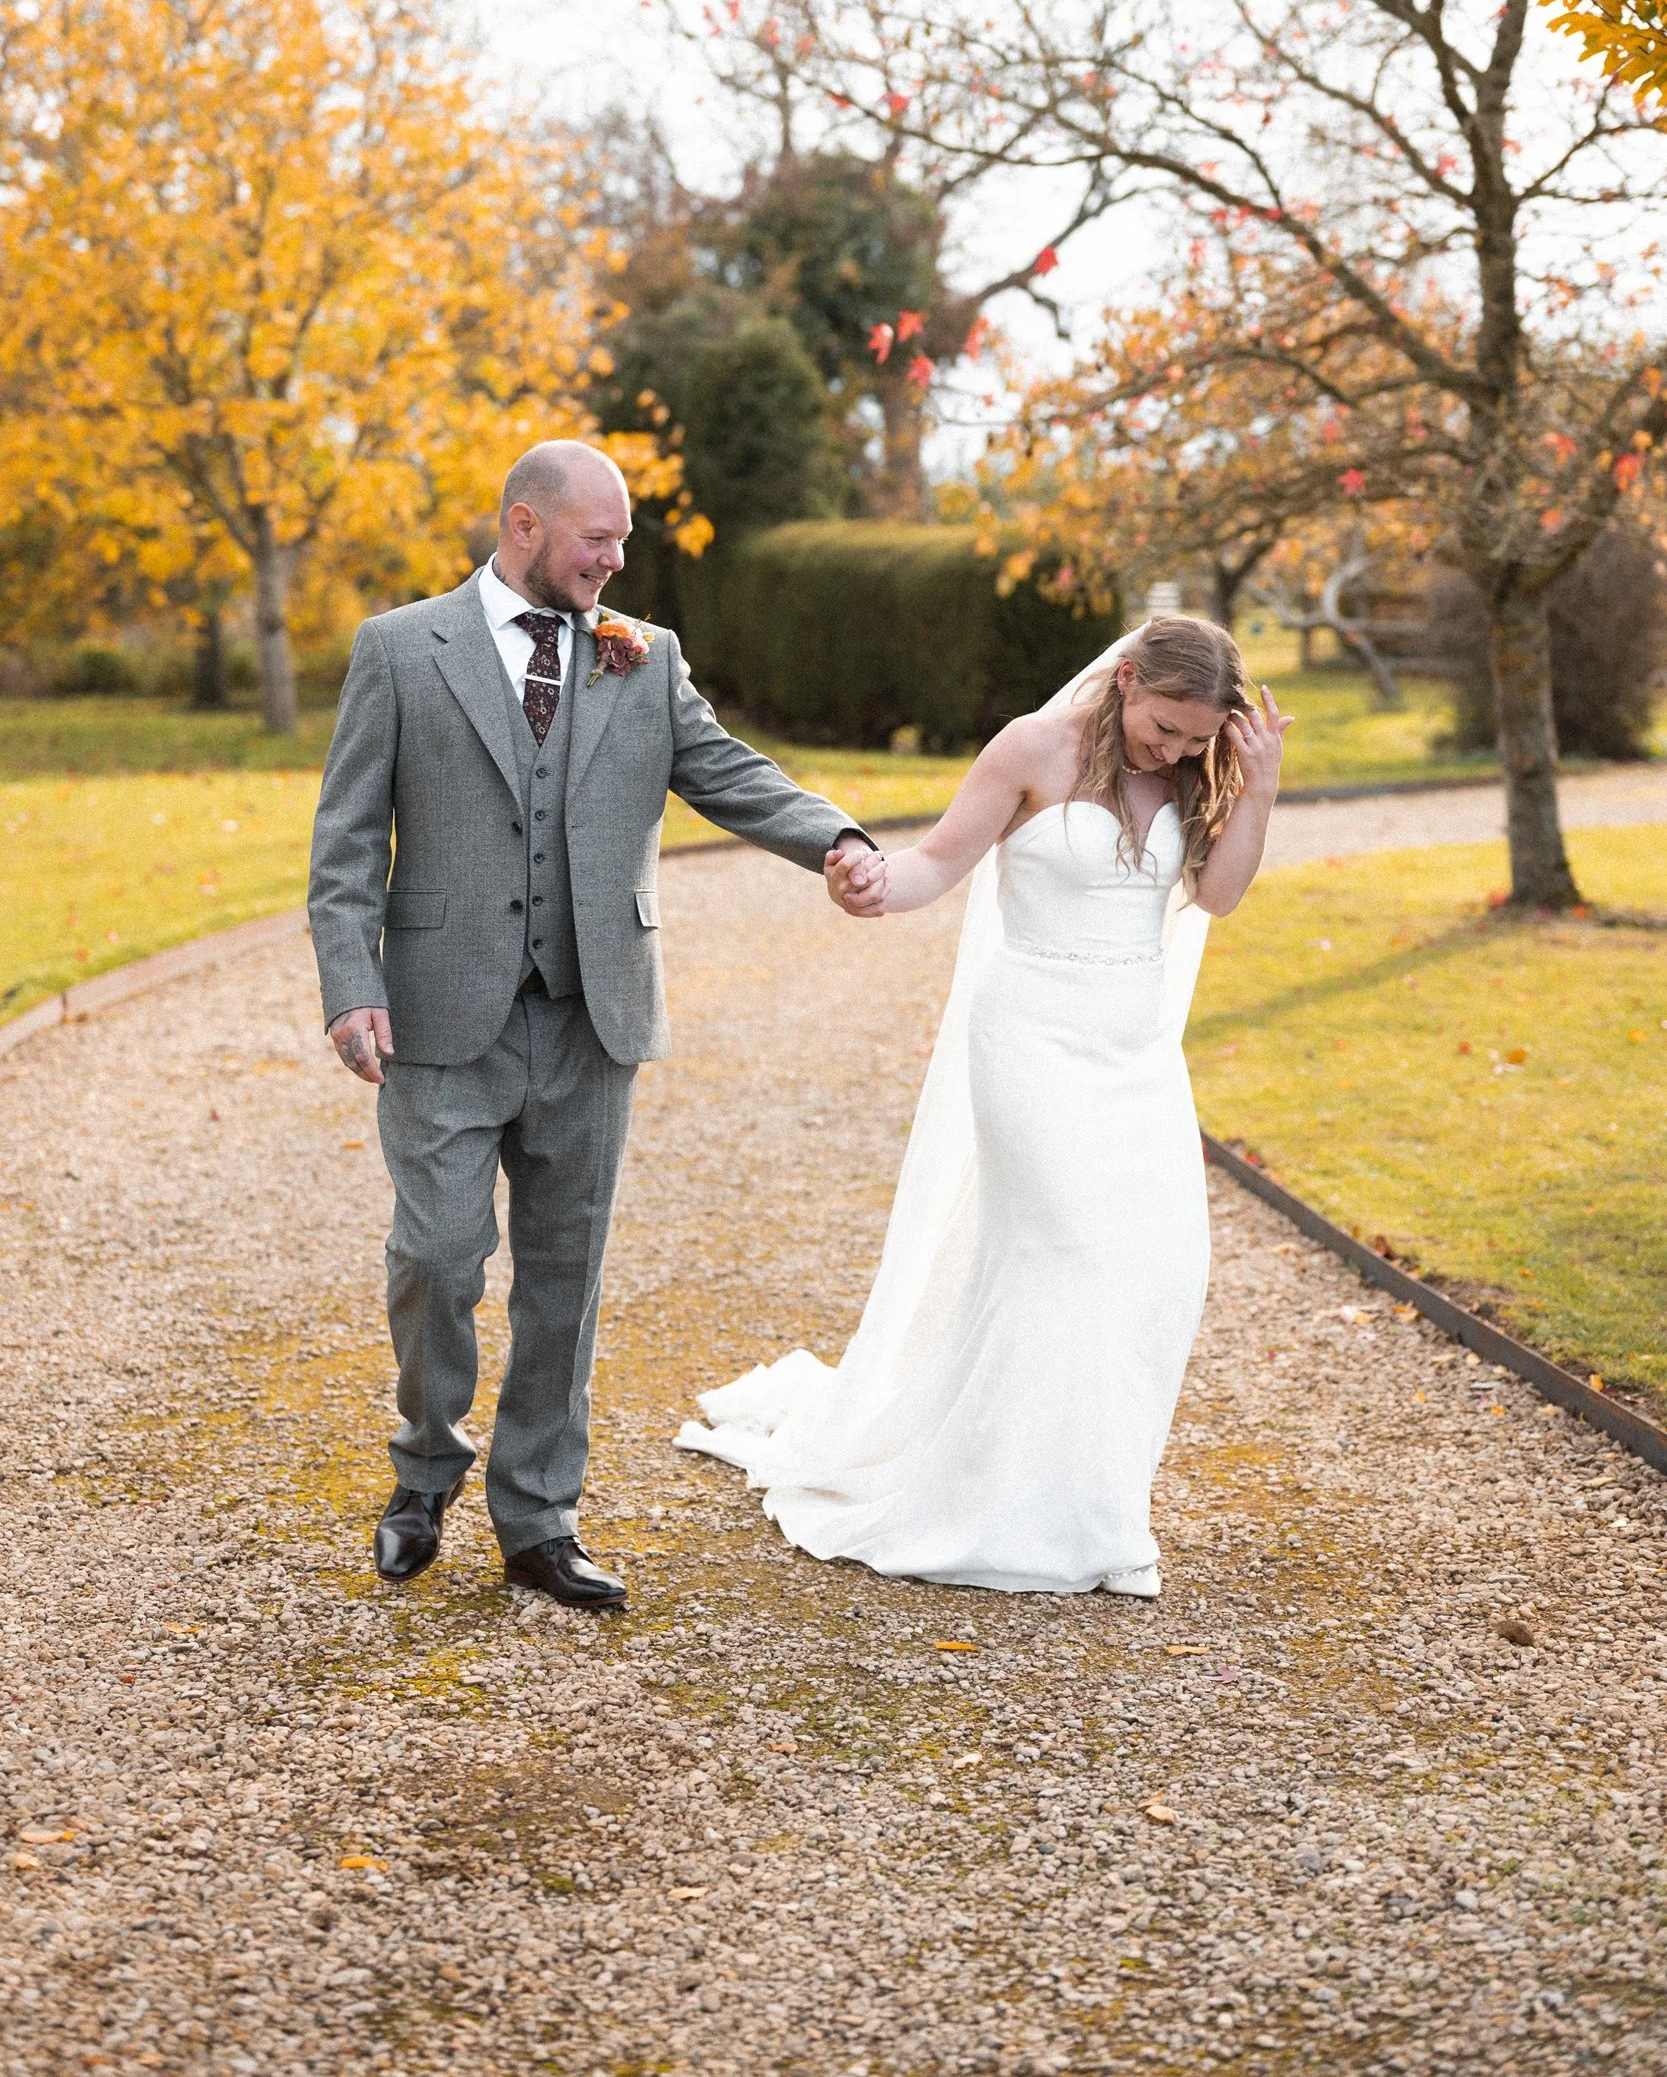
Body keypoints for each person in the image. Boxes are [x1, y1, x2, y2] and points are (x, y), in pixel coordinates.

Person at [308, 440, 880, 1608]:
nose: (617, 561)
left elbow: (722, 768)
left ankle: (538, 1517)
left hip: (591, 1015)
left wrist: (835, 837)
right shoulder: (399, 648)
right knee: (437, 1255)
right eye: (598, 538)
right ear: (524, 524)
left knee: (564, 1275)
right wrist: (348, 981)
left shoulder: (642, 656)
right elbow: (347, 841)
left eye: (621, 541)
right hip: (435, 1012)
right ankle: (423, 1470)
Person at [679, 615, 1290, 1598]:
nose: (1172, 749)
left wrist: (1251, 782)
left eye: (1194, 737)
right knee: (1059, 1252)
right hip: (1032, 1036)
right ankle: (1000, 1504)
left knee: (1160, 1263)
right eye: (1164, 726)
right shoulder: (1031, 748)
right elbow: (935, 863)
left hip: (1133, 1051)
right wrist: (872, 883)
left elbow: (1214, 895)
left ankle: (1089, 1501)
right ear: (1125, 678)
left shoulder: (1194, 769)